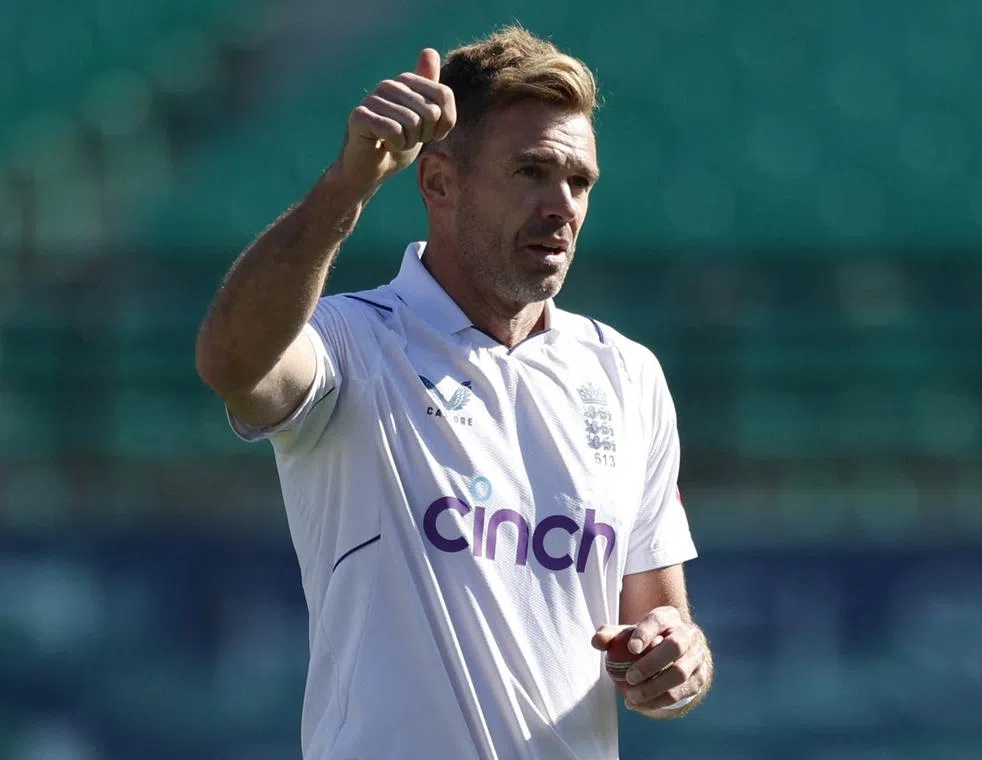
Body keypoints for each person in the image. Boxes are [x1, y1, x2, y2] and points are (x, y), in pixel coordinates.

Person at [195, 25, 713, 759]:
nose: (562, 205)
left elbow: (662, 615)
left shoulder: (627, 375)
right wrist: (348, 187)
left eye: (579, 181)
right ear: (439, 182)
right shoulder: (356, 341)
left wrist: (677, 660)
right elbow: (232, 362)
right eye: (532, 172)